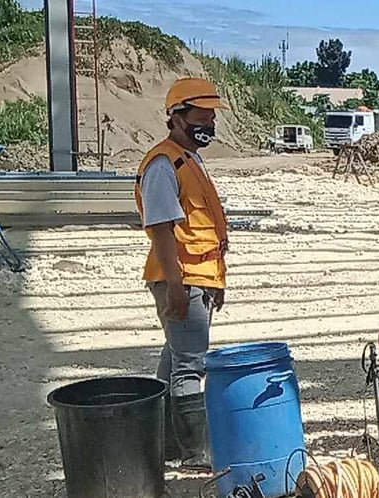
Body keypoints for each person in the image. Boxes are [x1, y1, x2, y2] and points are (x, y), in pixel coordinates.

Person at [135, 77, 230, 471]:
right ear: (176, 116)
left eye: (211, 116)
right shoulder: (164, 163)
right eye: (201, 116)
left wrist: (215, 282)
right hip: (182, 277)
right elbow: (160, 227)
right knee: (190, 365)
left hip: (198, 276)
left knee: (174, 360)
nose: (208, 123)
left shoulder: (190, 159)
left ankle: (163, 444)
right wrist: (176, 285)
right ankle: (196, 453)